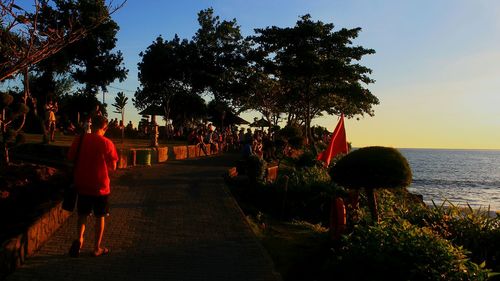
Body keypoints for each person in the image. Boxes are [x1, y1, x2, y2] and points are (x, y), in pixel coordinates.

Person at [67, 115, 118, 257]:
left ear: (91, 124)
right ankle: (97, 248)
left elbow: (70, 158)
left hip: (82, 183)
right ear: (105, 127)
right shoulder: (107, 143)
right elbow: (113, 166)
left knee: (82, 214)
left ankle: (79, 240)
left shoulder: (80, 139)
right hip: (100, 186)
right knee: (100, 216)